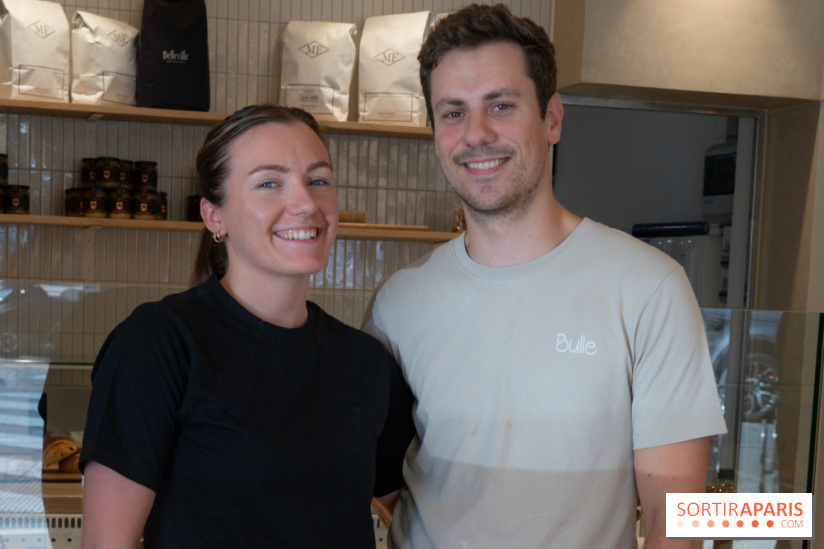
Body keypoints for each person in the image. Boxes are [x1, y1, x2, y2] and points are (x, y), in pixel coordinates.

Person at [362, 4, 727, 548]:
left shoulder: (649, 289)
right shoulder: (399, 302)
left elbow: (676, 519)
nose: (476, 134)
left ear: (552, 118)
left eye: (501, 105)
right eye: (453, 113)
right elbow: (370, 493)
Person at [79, 105, 415, 548]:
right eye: (269, 183)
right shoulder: (160, 341)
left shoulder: (367, 362)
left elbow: (417, 516)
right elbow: (108, 544)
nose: (305, 203)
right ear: (214, 216)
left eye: (318, 180)